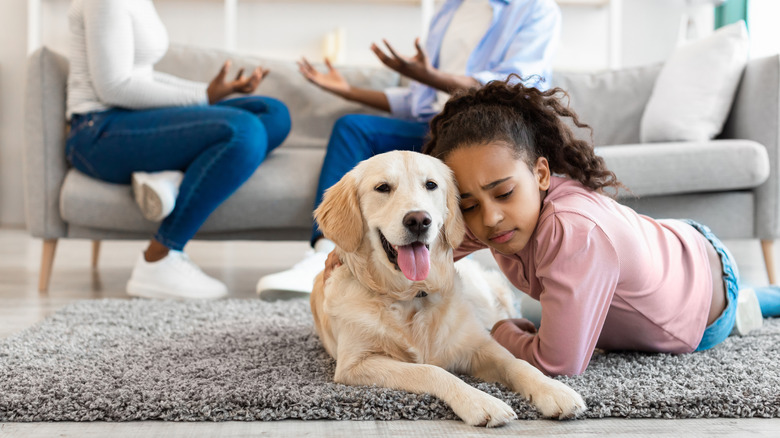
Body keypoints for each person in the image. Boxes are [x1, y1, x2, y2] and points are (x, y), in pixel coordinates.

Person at [416, 77, 780, 377]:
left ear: (541, 174)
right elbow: (426, 255)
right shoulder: (497, 217)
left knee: (750, 306)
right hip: (673, 245)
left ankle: (751, 300)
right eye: (469, 205)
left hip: (702, 302)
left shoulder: (575, 234)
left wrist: (499, 332)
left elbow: (558, 363)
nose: (490, 218)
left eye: (505, 193)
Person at [257, 0, 562, 297]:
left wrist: (429, 75)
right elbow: (418, 102)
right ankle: (325, 251)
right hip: (433, 126)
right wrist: (348, 91)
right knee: (352, 126)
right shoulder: (449, 10)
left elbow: (517, 87)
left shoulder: (535, 9)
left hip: (482, 137)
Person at [66, 0, 291, 300]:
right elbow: (115, 87)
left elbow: (141, 76)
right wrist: (201, 96)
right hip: (98, 132)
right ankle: (160, 257)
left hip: (131, 118)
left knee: (272, 113)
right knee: (244, 130)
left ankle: (168, 177)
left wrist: (210, 95)